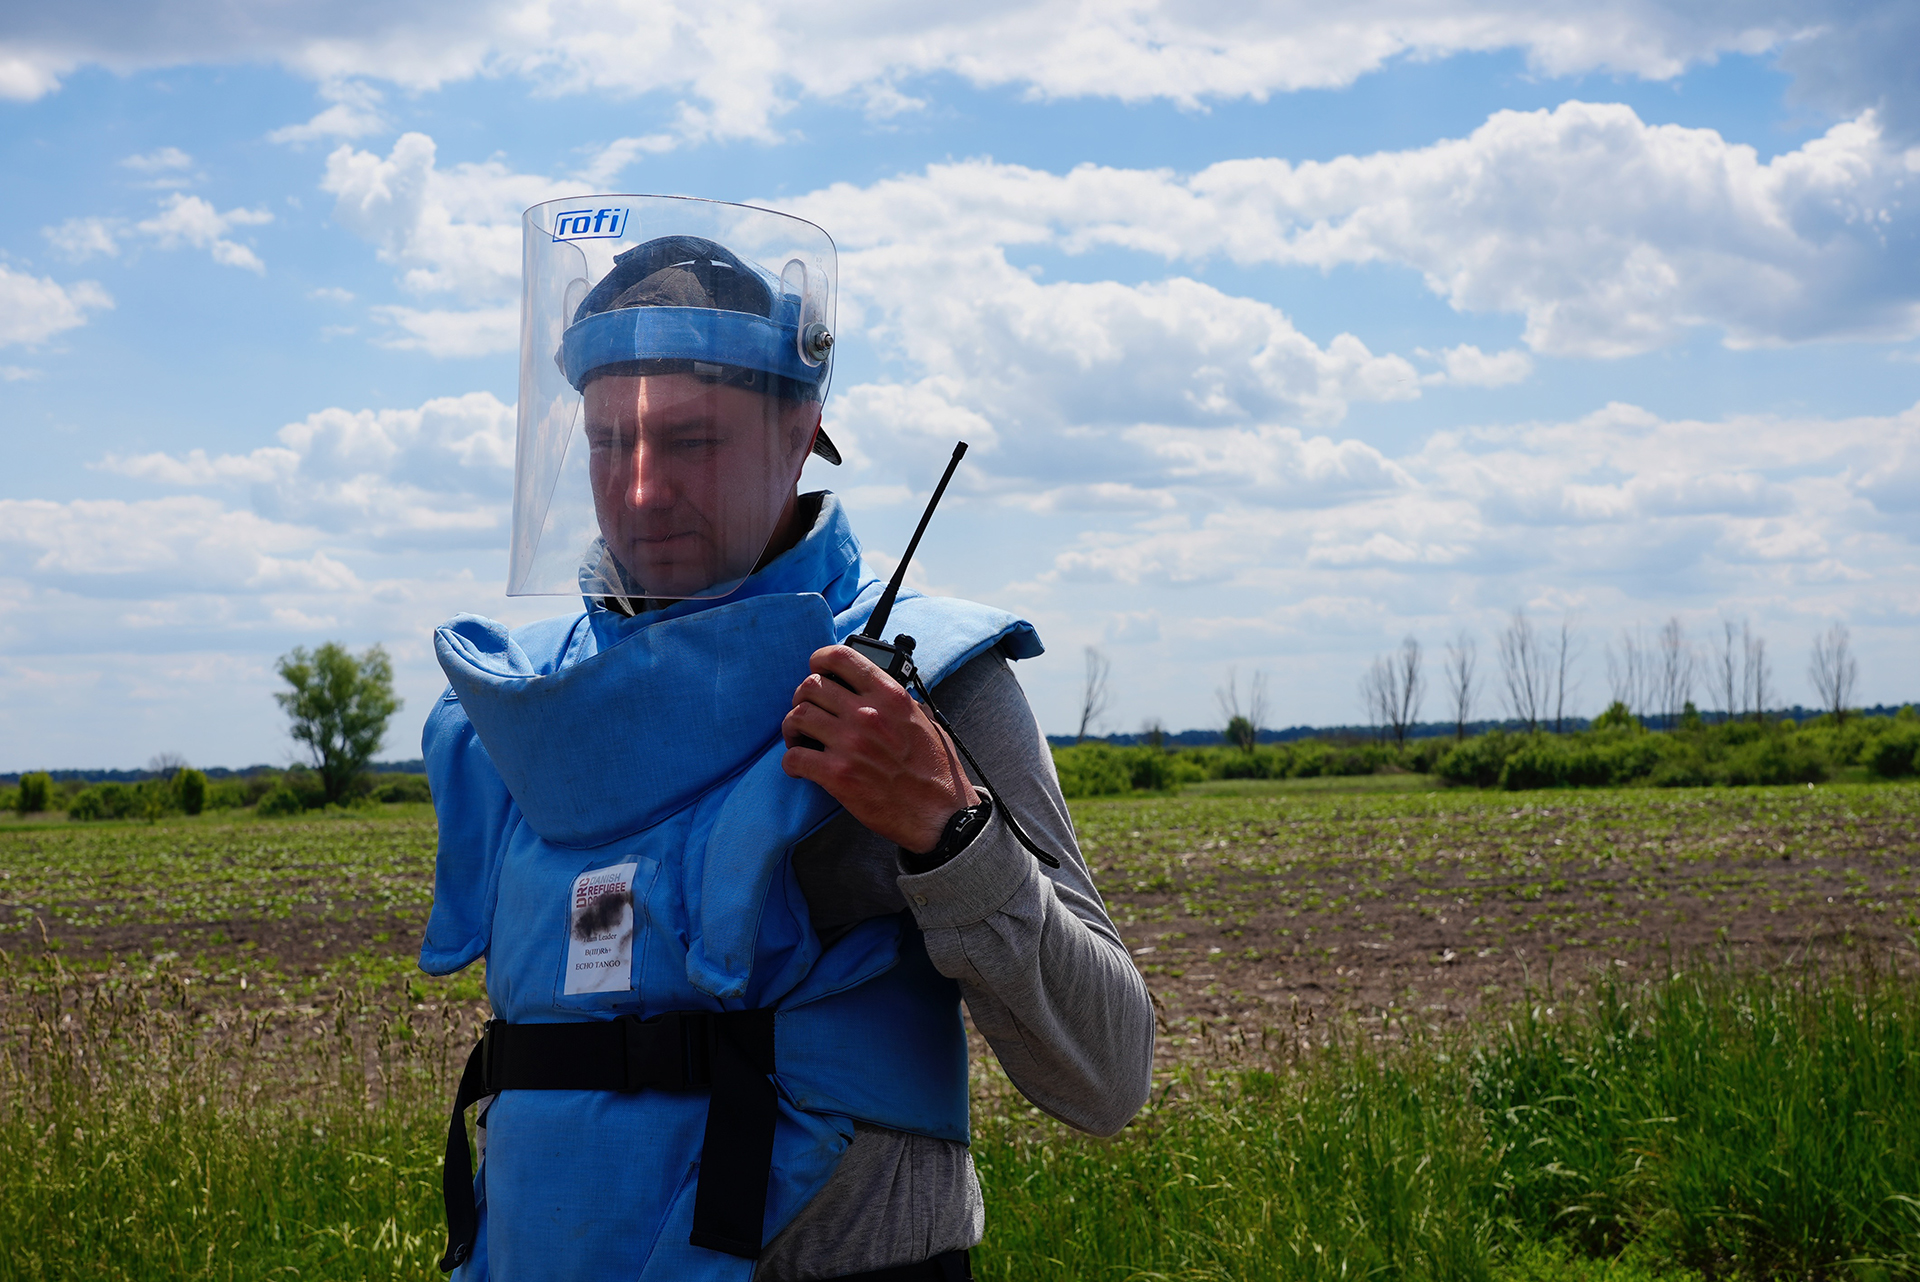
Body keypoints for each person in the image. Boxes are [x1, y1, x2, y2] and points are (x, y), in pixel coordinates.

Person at [420, 195, 1154, 1282]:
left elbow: (1107, 1072)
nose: (638, 489)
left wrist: (951, 832)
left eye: (690, 441)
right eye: (608, 440)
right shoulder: (528, 706)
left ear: (800, 432)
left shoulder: (918, 680)